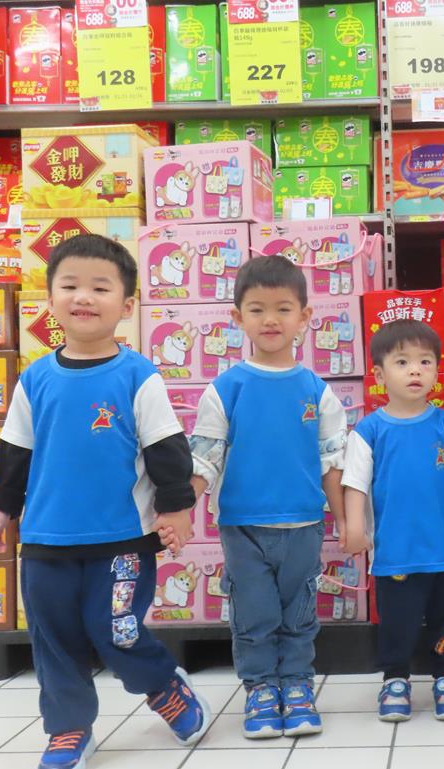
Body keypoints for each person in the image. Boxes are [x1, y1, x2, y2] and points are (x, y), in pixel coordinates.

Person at [0, 234, 210, 769]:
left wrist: (176, 509)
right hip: (45, 541)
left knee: (116, 631)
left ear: (126, 306)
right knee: (54, 641)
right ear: (50, 300)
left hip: (122, 540)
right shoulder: (35, 379)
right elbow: (14, 452)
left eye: (100, 288)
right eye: (70, 286)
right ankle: (69, 728)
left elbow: (167, 449)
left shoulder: (137, 376)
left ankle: (162, 684)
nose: (83, 297)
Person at [188, 255, 346, 739]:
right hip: (243, 525)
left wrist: (346, 520)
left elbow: (332, 462)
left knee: (300, 611)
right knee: (254, 612)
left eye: (283, 309)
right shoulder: (225, 389)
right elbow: (205, 457)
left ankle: (297, 685)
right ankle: (259, 688)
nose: (270, 320)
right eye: (257, 309)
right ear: (237, 317)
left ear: (305, 316)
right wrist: (180, 511)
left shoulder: (318, 391)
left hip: (304, 524)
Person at [342, 320, 444, 722]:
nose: (415, 371)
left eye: (425, 362)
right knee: (397, 621)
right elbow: (354, 483)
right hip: (395, 552)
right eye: (402, 362)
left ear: (437, 370)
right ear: (379, 375)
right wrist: (354, 526)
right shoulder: (369, 431)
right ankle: (395, 679)